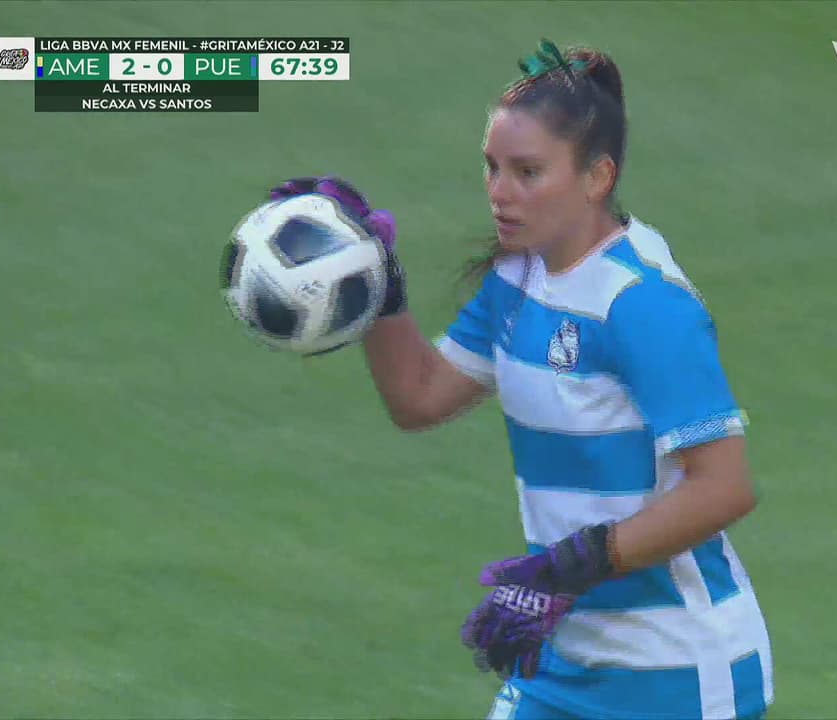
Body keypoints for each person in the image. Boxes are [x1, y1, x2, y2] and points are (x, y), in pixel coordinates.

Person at [269, 38, 772, 720]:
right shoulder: (518, 281)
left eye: (528, 172)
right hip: (559, 662)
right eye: (493, 168)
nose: (500, 193)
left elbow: (723, 487)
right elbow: (418, 396)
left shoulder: (643, 305)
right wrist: (378, 283)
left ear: (597, 177)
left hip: (676, 675)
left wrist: (571, 566)